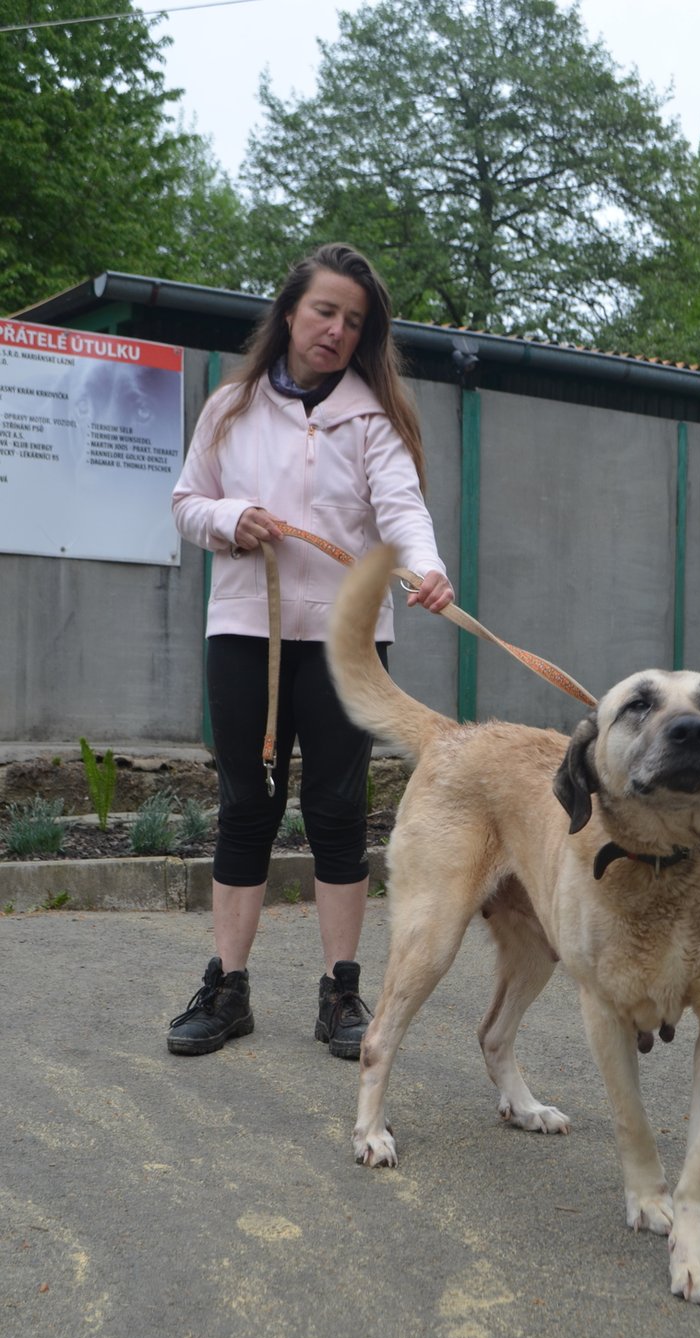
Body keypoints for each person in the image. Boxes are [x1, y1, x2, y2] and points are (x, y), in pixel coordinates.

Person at [166, 243, 454, 1061]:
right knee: (244, 808)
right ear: (290, 311)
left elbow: (402, 510)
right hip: (243, 634)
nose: (335, 329)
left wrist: (426, 570)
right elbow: (187, 504)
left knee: (336, 813)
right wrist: (231, 519)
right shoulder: (230, 407)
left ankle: (342, 992)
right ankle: (226, 987)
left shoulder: (372, 419)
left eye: (352, 321)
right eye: (324, 310)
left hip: (344, 648)